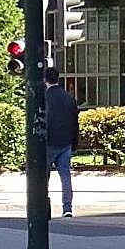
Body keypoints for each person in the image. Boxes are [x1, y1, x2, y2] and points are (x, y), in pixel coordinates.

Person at [44, 67, 79, 217]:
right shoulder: (68, 97)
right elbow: (75, 122)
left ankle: (43, 205)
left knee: (43, 176)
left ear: (45, 80)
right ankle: (67, 208)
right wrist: (74, 143)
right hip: (66, 142)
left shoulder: (44, 97)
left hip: (49, 142)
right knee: (65, 176)